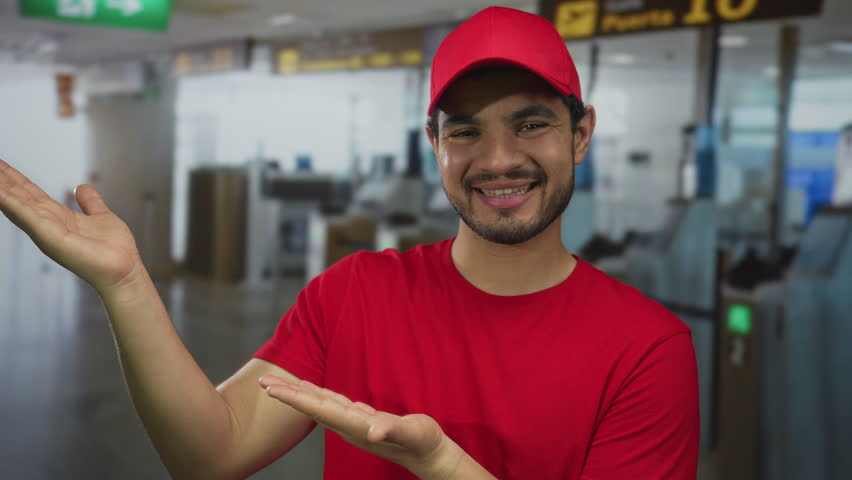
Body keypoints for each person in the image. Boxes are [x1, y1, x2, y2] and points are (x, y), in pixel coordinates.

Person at [0, 6, 699, 480]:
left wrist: (448, 469)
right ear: (434, 145)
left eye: (530, 123)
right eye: (464, 130)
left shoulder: (646, 349)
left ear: (580, 134)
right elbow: (210, 453)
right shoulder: (356, 292)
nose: (497, 158)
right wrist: (126, 285)